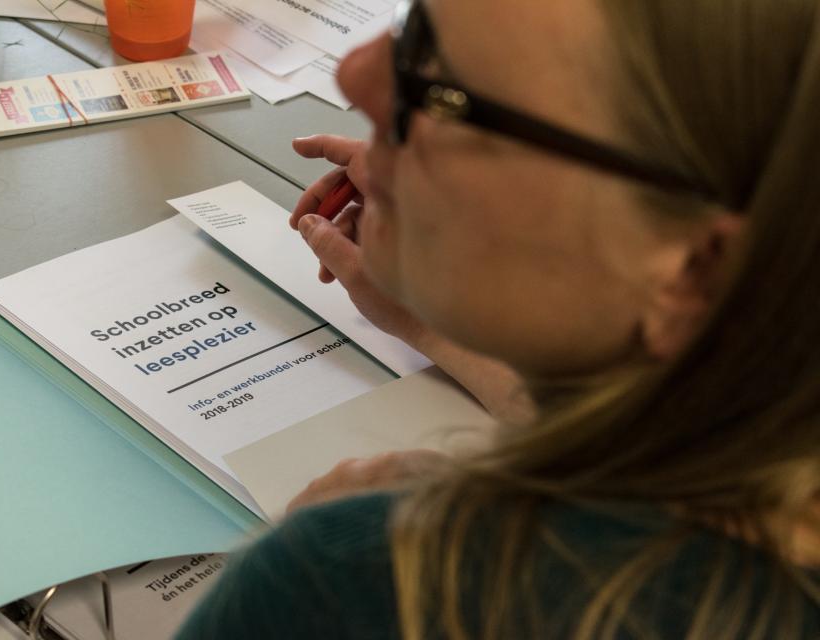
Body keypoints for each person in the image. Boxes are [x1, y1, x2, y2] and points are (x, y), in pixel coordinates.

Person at [177, 0, 820, 637]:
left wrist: (350, 552)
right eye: (417, 29)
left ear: (696, 273)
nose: (353, 73)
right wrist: (427, 305)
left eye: (450, 95)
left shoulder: (356, 584)